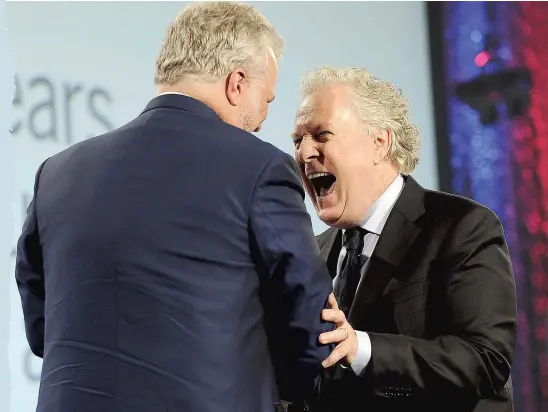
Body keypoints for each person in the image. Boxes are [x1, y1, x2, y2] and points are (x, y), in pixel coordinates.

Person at [15, 3, 333, 412]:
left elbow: (42, 328)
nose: (261, 120)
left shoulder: (57, 173)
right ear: (237, 83)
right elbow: (311, 329)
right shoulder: (260, 167)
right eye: (266, 99)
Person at [290, 66, 517, 412]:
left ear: (379, 143)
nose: (304, 153)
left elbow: (485, 360)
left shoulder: (463, 227)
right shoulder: (316, 252)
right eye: (297, 140)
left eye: (321, 134)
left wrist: (360, 348)